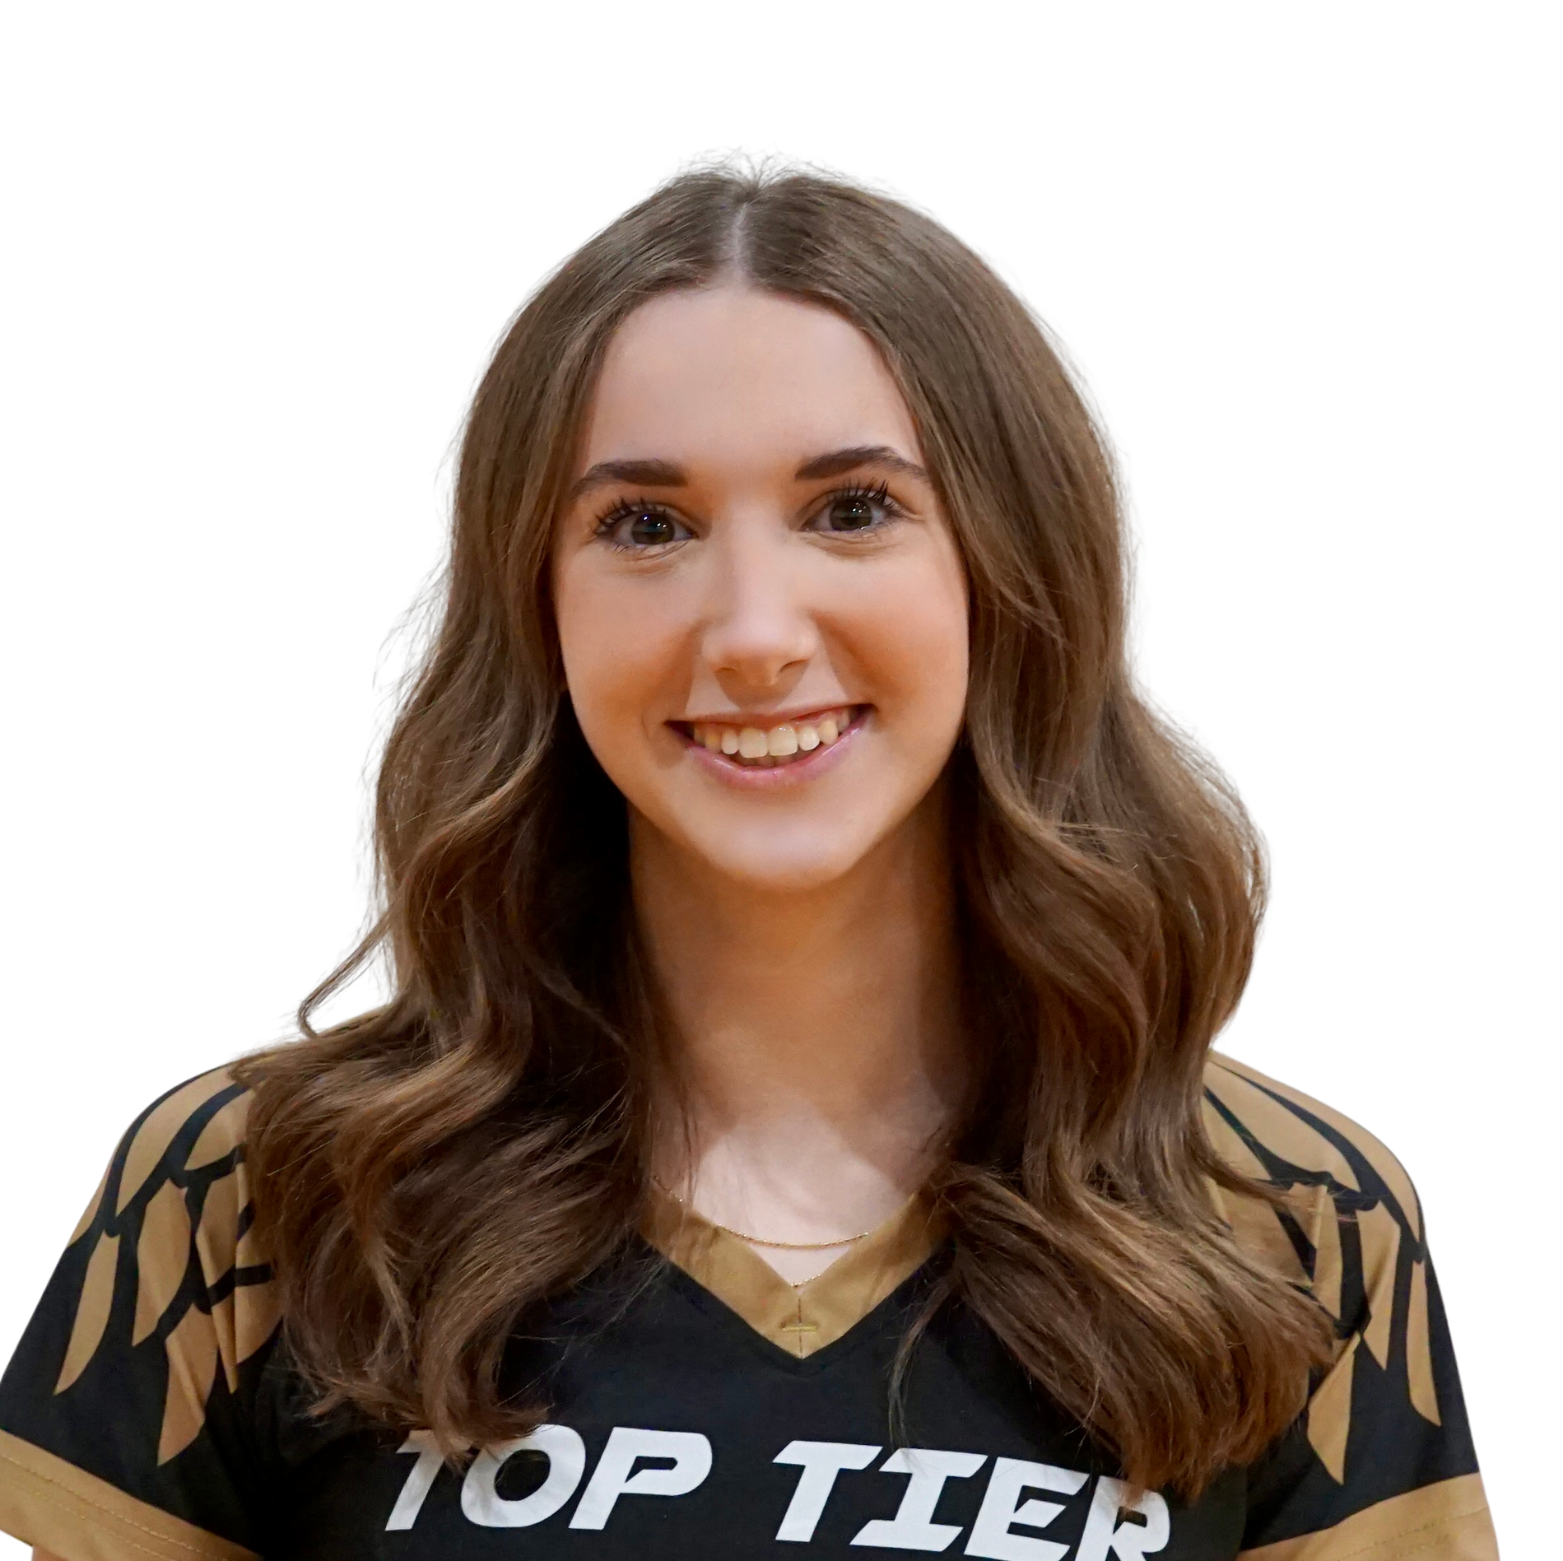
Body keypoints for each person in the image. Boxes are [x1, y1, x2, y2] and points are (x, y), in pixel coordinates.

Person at [0, 165, 1497, 1561]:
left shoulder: (1289, 1221)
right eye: (645, 524)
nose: (756, 633)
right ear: (537, 604)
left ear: (1016, 570)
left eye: (854, 510)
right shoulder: (262, 1195)